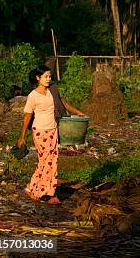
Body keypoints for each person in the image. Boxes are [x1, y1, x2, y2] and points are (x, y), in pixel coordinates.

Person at [16, 65, 85, 204]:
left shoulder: (51, 91)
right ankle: (47, 193)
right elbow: (27, 118)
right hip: (40, 132)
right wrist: (22, 137)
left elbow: (63, 104)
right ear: (38, 78)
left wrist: (78, 113)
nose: (49, 79)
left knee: (47, 161)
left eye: (49, 76)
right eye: (46, 77)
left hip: (53, 130)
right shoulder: (32, 96)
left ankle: (32, 187)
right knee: (49, 161)